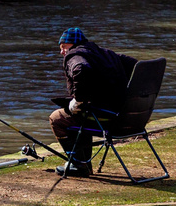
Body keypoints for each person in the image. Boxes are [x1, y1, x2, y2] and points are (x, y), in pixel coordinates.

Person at [48, 27, 136, 177]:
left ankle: (78, 164)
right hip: (128, 117)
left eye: (64, 47)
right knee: (83, 114)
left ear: (73, 44)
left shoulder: (74, 55)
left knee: (57, 119)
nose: (62, 52)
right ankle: (84, 164)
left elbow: (80, 69)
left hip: (108, 119)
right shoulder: (105, 53)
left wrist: (78, 100)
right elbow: (135, 64)